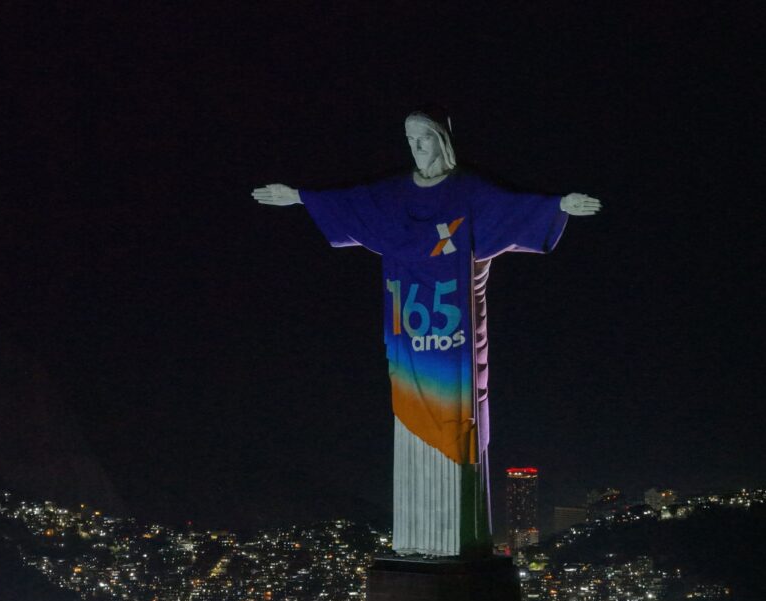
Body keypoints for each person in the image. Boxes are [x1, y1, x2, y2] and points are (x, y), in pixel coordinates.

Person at [252, 108, 601, 557]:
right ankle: (420, 542)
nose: (416, 149)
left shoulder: (467, 189)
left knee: (460, 421)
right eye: (409, 140)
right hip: (409, 330)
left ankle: (456, 541)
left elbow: (511, 209)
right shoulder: (397, 195)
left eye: (423, 139)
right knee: (411, 413)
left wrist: (558, 206)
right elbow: (354, 202)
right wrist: (300, 197)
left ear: (442, 140)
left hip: (454, 335)